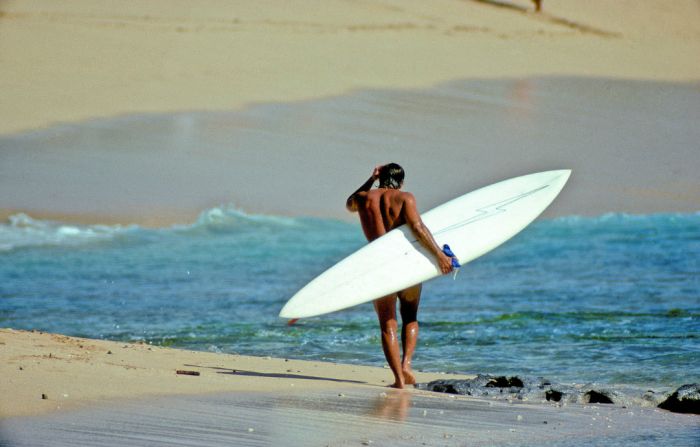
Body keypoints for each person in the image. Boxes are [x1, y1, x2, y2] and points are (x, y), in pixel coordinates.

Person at [346, 163, 454, 388]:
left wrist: (370, 179)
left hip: (380, 267)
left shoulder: (364, 198)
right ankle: (406, 364)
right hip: (406, 265)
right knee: (410, 317)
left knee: (387, 324)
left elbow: (349, 205)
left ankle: (397, 380)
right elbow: (418, 227)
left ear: (379, 178)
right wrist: (439, 256)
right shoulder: (406, 198)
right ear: (402, 182)